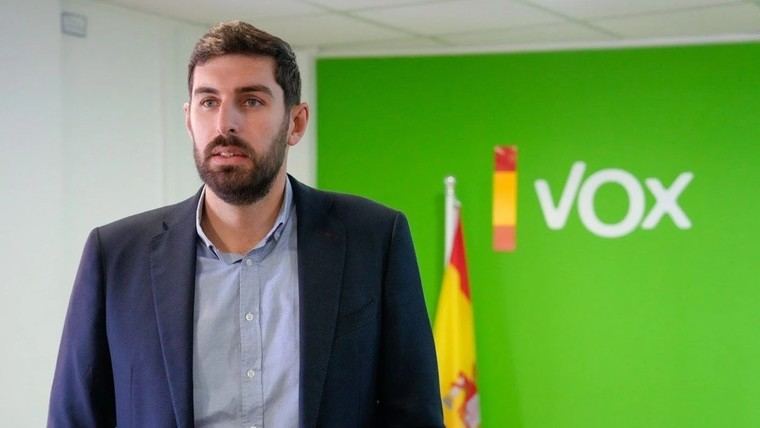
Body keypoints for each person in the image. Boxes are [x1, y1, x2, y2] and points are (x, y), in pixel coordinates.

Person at [48, 21, 442, 427]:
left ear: (296, 123)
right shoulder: (116, 256)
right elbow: (75, 417)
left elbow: (413, 414)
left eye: (251, 101)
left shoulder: (373, 240)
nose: (225, 124)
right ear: (188, 120)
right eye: (208, 102)